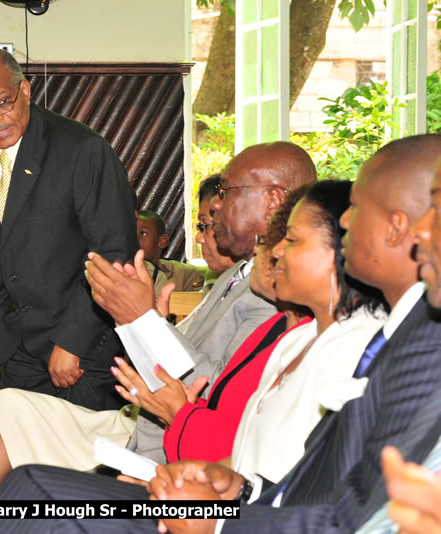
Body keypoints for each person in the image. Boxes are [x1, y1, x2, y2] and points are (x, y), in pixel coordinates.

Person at [0, 136, 441, 534]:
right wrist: (230, 486)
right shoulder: (298, 333)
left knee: (34, 491)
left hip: (223, 498)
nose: (217, 204)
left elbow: (350, 508)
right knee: (27, 482)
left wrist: (218, 515)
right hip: (221, 487)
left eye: (290, 241)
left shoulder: (378, 341)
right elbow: (303, 475)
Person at [145, 135, 441, 534]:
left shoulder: (398, 342)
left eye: (291, 240)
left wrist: (220, 524)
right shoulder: (312, 337)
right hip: (249, 505)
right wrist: (242, 488)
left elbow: (361, 515)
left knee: (46, 498)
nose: (348, 222)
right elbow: (323, 484)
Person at [86, 141, 315, 462]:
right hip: (149, 434)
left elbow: (216, 389)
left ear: (273, 199)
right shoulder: (237, 271)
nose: (218, 204)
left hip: (186, 456)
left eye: (227, 191)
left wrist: (144, 320)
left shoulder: (279, 294)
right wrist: (140, 321)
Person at [0, 47, 137, 411]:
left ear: (25, 90)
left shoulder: (81, 150)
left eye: (3, 103)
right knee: (22, 460)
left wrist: (73, 341)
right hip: (17, 348)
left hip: (83, 352)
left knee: (79, 464)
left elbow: (114, 254)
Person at [137, 209, 206, 292]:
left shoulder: (176, 273)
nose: (134, 239)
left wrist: (209, 281)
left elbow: (211, 275)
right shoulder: (121, 272)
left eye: (143, 233)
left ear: (162, 241)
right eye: (130, 233)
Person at [195, 175, 236, 293]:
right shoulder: (215, 279)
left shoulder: (259, 289)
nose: (198, 238)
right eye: (199, 226)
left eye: (205, 225)